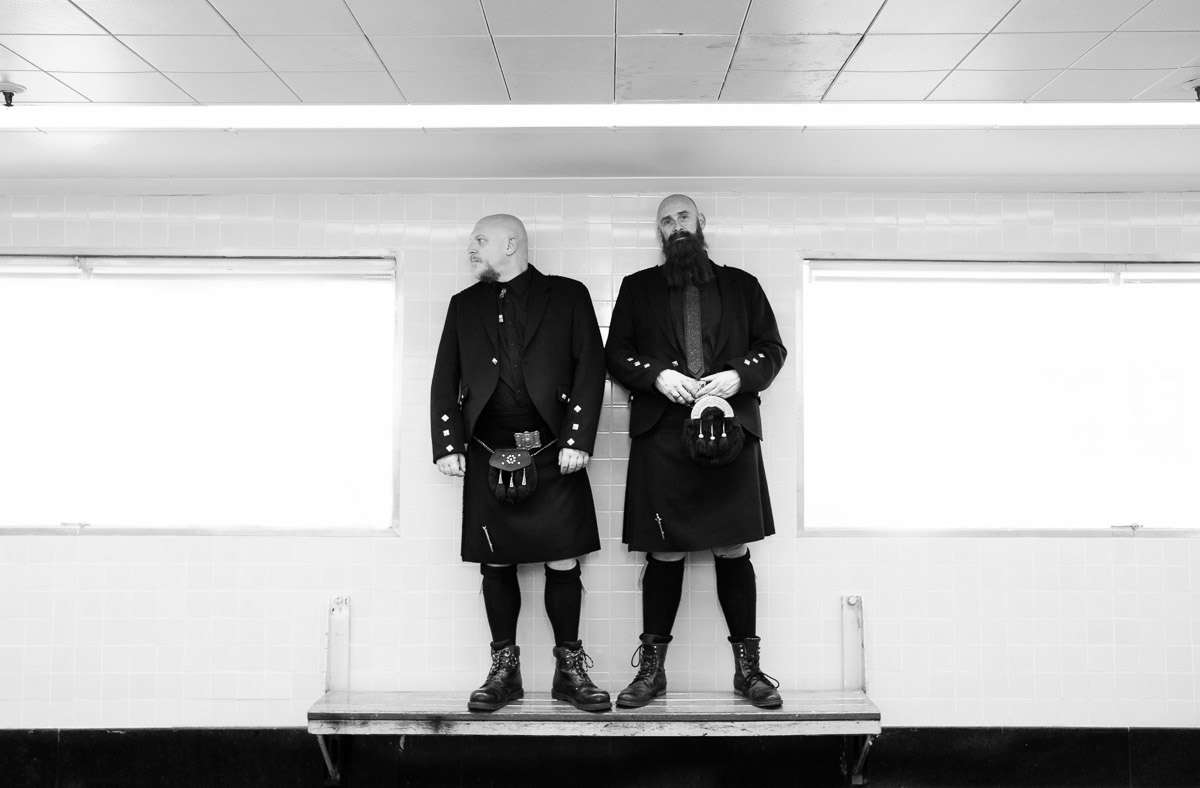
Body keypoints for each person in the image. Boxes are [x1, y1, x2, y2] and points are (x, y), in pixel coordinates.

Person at [605, 194, 787, 709]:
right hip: (663, 435)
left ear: (701, 223)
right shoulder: (637, 287)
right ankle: (652, 673)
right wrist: (656, 376)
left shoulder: (743, 285)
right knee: (664, 550)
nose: (676, 225)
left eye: (683, 216)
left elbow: (772, 350)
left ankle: (748, 672)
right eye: (666, 221)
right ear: (659, 233)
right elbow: (615, 353)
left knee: (733, 548)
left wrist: (738, 376)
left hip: (730, 432)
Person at [430, 214, 610, 713]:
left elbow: (590, 368)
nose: (470, 248)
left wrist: (578, 438)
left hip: (553, 451)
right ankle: (504, 672)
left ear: (511, 243)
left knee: (563, 557)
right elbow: (444, 376)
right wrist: (448, 443)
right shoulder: (464, 305)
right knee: (495, 560)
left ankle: (569, 672)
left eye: (479, 240)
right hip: (488, 451)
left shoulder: (568, 295)